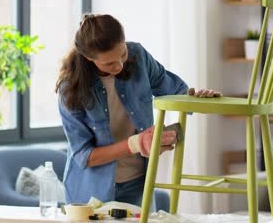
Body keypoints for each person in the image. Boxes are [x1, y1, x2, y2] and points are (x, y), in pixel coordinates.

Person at [55, 14, 220, 207]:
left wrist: (197, 98)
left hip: (139, 183)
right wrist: (136, 143)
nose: (119, 66)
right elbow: (85, 156)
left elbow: (174, 91)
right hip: (91, 192)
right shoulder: (70, 90)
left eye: (122, 54)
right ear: (89, 58)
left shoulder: (138, 56)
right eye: (109, 63)